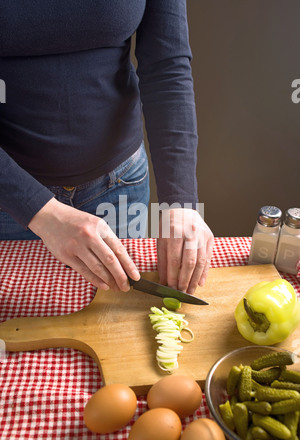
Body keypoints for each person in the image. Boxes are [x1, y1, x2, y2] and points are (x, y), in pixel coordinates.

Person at [0, 0, 214, 295]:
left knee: (117, 321)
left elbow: (167, 67)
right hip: (8, 200)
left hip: (120, 189)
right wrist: (41, 211)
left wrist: (180, 202)